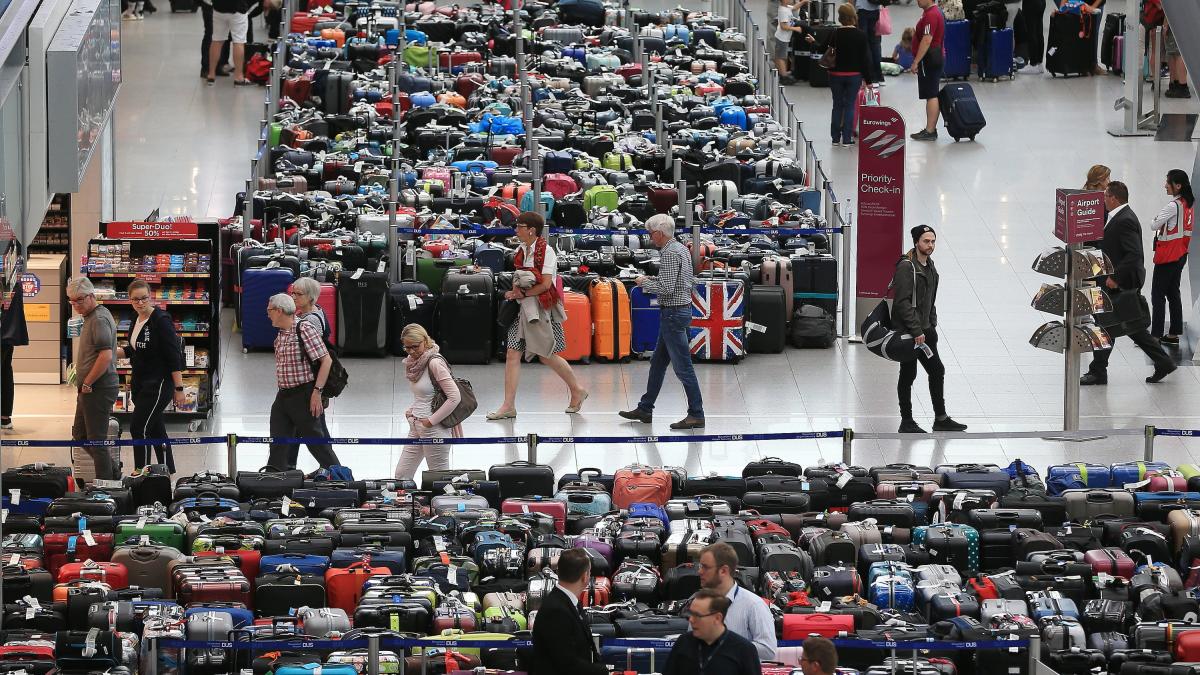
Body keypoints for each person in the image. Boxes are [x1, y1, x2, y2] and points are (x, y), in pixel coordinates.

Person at [487, 211, 587, 420]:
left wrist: (521, 293)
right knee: (512, 354)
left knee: (546, 354)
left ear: (531, 230)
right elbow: (519, 275)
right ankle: (508, 406)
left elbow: (546, 284)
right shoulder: (521, 249)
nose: (516, 230)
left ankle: (577, 390)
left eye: (519, 226)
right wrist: (516, 291)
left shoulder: (547, 251)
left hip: (541, 308)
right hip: (522, 307)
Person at [1082, 181, 1177, 385]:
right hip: (1115, 281)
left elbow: (1133, 254)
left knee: (1107, 324)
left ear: (1114, 198)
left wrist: (1115, 278)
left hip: (1118, 283)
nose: (1103, 200)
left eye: (1106, 196)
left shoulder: (1124, 220)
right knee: (1125, 326)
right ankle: (1162, 362)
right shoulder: (1119, 217)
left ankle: (1098, 371)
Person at [620, 214, 705, 430]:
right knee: (657, 364)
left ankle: (696, 413)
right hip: (681, 311)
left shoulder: (668, 253)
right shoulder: (681, 249)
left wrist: (643, 284)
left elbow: (666, 288)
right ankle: (645, 408)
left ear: (659, 233)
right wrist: (651, 279)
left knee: (683, 368)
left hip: (672, 314)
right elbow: (680, 281)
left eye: (650, 233)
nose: (650, 237)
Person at [892, 226, 968, 434]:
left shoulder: (929, 265)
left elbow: (929, 298)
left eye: (933, 241)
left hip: (926, 331)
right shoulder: (907, 267)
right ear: (916, 242)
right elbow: (902, 302)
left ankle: (940, 418)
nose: (930, 245)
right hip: (910, 333)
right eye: (926, 241)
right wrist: (917, 330)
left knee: (936, 370)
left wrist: (931, 323)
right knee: (908, 374)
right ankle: (906, 421)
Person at [114, 280, 185, 473]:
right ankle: (167, 469)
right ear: (130, 300)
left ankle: (141, 472)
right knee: (155, 428)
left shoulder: (160, 320)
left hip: (158, 383)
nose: (140, 302)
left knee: (138, 428)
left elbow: (173, 355)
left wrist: (179, 389)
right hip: (140, 383)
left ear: (150, 297)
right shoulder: (135, 320)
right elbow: (134, 349)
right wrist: (111, 352)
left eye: (144, 298)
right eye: (135, 299)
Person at [266, 293, 341, 469]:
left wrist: (317, 392)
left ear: (279, 311)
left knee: (318, 444)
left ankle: (343, 480)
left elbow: (326, 360)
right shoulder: (281, 334)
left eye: (269, 310)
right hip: (283, 396)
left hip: (304, 395)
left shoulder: (304, 329)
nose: (267, 313)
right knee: (278, 443)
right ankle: (277, 480)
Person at [67, 277, 121, 480]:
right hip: (87, 389)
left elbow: (105, 356)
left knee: (96, 442)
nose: (76, 305)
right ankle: (113, 471)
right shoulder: (91, 316)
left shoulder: (98, 319)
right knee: (80, 436)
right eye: (72, 301)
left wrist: (88, 381)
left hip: (98, 389)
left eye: (79, 300)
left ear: (91, 296)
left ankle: (106, 488)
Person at [394, 323, 463, 480]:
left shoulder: (434, 363)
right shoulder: (415, 364)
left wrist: (431, 421)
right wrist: (412, 409)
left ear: (425, 341)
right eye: (407, 348)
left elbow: (454, 397)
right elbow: (424, 394)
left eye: (415, 347)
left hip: (435, 428)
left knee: (439, 478)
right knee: (402, 475)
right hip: (416, 425)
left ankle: (443, 504)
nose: (411, 352)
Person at [530, 548, 609, 675]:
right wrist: (604, 672)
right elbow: (566, 663)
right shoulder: (556, 611)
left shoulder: (568, 602)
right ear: (585, 577)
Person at [698, 543, 777, 660]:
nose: (699, 571)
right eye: (700, 566)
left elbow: (768, 650)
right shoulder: (699, 602)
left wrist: (723, 644)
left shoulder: (753, 605)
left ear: (724, 571)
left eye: (705, 567)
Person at [662, 589, 762, 675]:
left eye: (698, 615)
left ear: (717, 618)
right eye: (690, 614)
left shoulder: (744, 650)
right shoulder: (683, 643)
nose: (691, 620)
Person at [1150, 170, 1194, 344]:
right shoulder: (1188, 203)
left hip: (1168, 256)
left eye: (1168, 182)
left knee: (1157, 295)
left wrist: (1155, 219)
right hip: (1181, 254)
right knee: (1173, 292)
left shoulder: (1172, 206)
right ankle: (1174, 333)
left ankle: (1155, 335)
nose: (1165, 185)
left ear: (1178, 185)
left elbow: (1154, 225)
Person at [824, 4, 870, 147]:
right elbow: (865, 59)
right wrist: (868, 79)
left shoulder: (835, 33)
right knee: (850, 106)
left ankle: (835, 138)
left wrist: (813, 42)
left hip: (835, 74)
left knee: (837, 105)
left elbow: (823, 48)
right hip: (854, 76)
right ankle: (847, 138)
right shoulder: (861, 35)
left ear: (840, 17)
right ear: (854, 17)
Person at [909, 0, 945, 141]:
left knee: (931, 94)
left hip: (929, 58)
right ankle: (930, 129)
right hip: (934, 56)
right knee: (931, 92)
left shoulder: (931, 15)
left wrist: (916, 61)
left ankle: (930, 130)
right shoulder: (932, 13)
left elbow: (926, 40)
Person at [206, 0, 254, 86]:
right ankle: (238, 77)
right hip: (238, 8)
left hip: (219, 8)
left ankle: (211, 74)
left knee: (216, 40)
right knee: (238, 42)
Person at [1, 284, 28, 430]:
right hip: (8, 331)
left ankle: (5, 417)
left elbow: (4, 300)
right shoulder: (10, 274)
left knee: (4, 371)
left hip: (4, 330)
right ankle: (5, 417)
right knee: (5, 371)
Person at [775, 0, 806, 84]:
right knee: (780, 57)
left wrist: (803, 2)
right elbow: (783, 26)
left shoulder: (787, 8)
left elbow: (795, 7)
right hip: (781, 38)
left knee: (782, 56)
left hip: (785, 38)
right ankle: (783, 75)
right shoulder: (783, 11)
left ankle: (783, 72)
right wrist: (795, 29)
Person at [855, 0, 884, 84]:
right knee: (875, 43)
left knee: (864, 43)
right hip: (876, 8)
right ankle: (879, 76)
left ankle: (871, 76)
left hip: (862, 9)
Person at [1018, 0, 1047, 74]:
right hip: (1041, 2)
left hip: (1030, 3)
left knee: (1031, 31)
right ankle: (1039, 63)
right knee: (1039, 31)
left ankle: (1033, 63)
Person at [1164, 19, 1191, 99]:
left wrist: (1165, 24)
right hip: (1185, 22)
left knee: (1178, 53)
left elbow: (1170, 7)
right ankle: (1177, 84)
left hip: (1175, 21)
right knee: (1176, 53)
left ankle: (1182, 86)